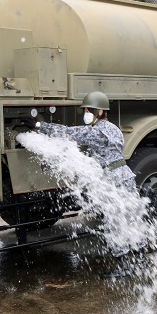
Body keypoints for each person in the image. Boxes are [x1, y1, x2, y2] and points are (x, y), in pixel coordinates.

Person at [20, 91, 141, 279]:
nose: (85, 113)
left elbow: (69, 133)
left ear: (99, 112)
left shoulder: (98, 132)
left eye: (88, 110)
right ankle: (139, 259)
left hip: (114, 182)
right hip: (124, 176)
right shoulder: (113, 128)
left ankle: (124, 267)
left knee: (114, 224)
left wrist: (39, 125)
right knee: (130, 220)